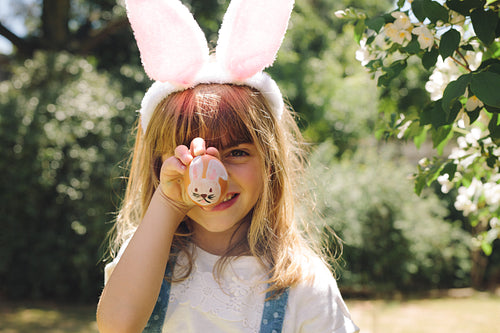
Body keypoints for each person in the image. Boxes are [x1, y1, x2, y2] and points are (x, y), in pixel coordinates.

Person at [97, 0, 359, 332]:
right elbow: (118, 325)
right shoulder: (147, 258)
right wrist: (168, 202)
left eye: (236, 152)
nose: (213, 175)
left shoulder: (303, 283)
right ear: (160, 165)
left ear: (270, 163)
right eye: (192, 156)